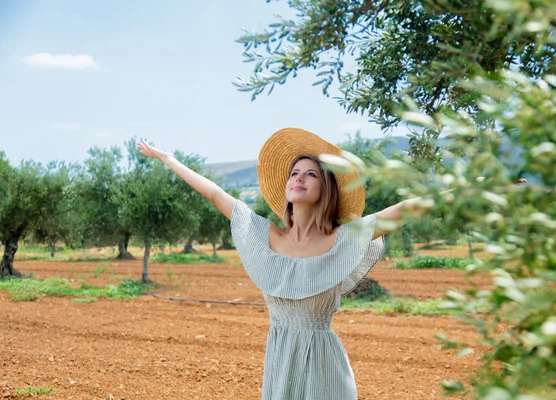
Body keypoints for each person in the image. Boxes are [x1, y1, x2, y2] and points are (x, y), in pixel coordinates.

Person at [137, 127, 425, 400]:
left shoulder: (342, 241)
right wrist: (168, 159)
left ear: (326, 189)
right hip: (280, 365)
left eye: (311, 174)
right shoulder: (267, 237)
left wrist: (461, 191)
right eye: (294, 173)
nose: (299, 178)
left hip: (325, 368)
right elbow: (214, 194)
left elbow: (401, 211)